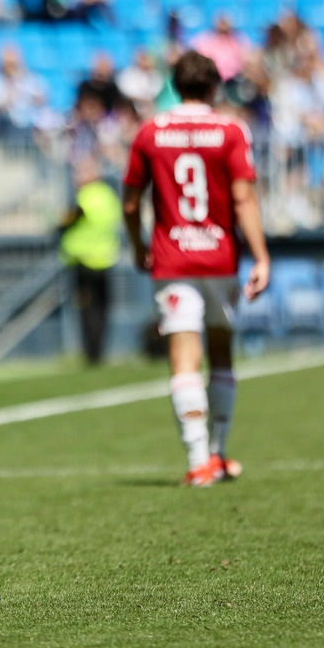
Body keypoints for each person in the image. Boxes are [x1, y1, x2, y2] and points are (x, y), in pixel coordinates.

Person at [122, 52, 271, 487]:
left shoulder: (150, 131)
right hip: (220, 258)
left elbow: (130, 201)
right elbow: (244, 199)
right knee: (221, 353)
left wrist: (137, 245)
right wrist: (261, 256)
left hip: (173, 260)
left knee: (184, 358)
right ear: (213, 88)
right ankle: (219, 453)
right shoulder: (230, 130)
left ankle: (197, 460)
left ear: (175, 85)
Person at [58, 162, 121, 366]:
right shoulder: (109, 196)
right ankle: (100, 350)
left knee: (87, 310)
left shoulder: (85, 197)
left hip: (84, 261)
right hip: (106, 259)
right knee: (103, 309)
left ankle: (91, 353)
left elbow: (69, 220)